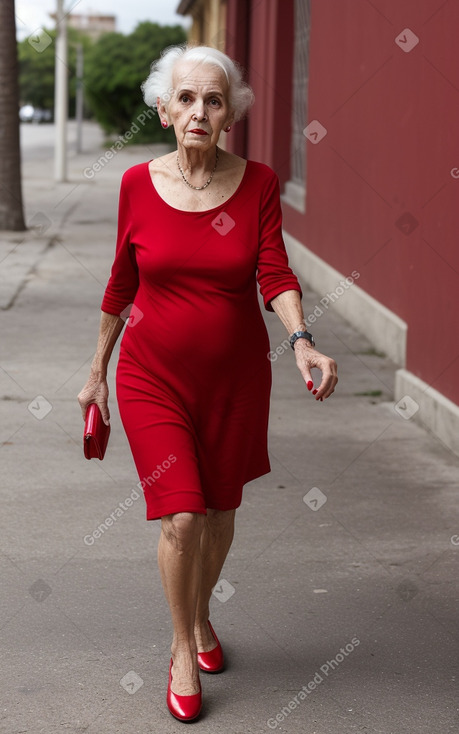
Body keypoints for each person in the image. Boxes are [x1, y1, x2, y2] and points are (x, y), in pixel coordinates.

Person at [78, 44, 338, 722]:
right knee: (183, 515)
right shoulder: (136, 184)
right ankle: (181, 648)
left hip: (234, 381)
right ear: (163, 111)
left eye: (213, 100)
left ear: (229, 114)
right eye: (186, 99)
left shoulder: (256, 184)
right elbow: (120, 283)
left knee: (220, 513)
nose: (199, 110)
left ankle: (196, 616)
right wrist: (95, 375)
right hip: (151, 375)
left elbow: (274, 274)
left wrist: (302, 340)